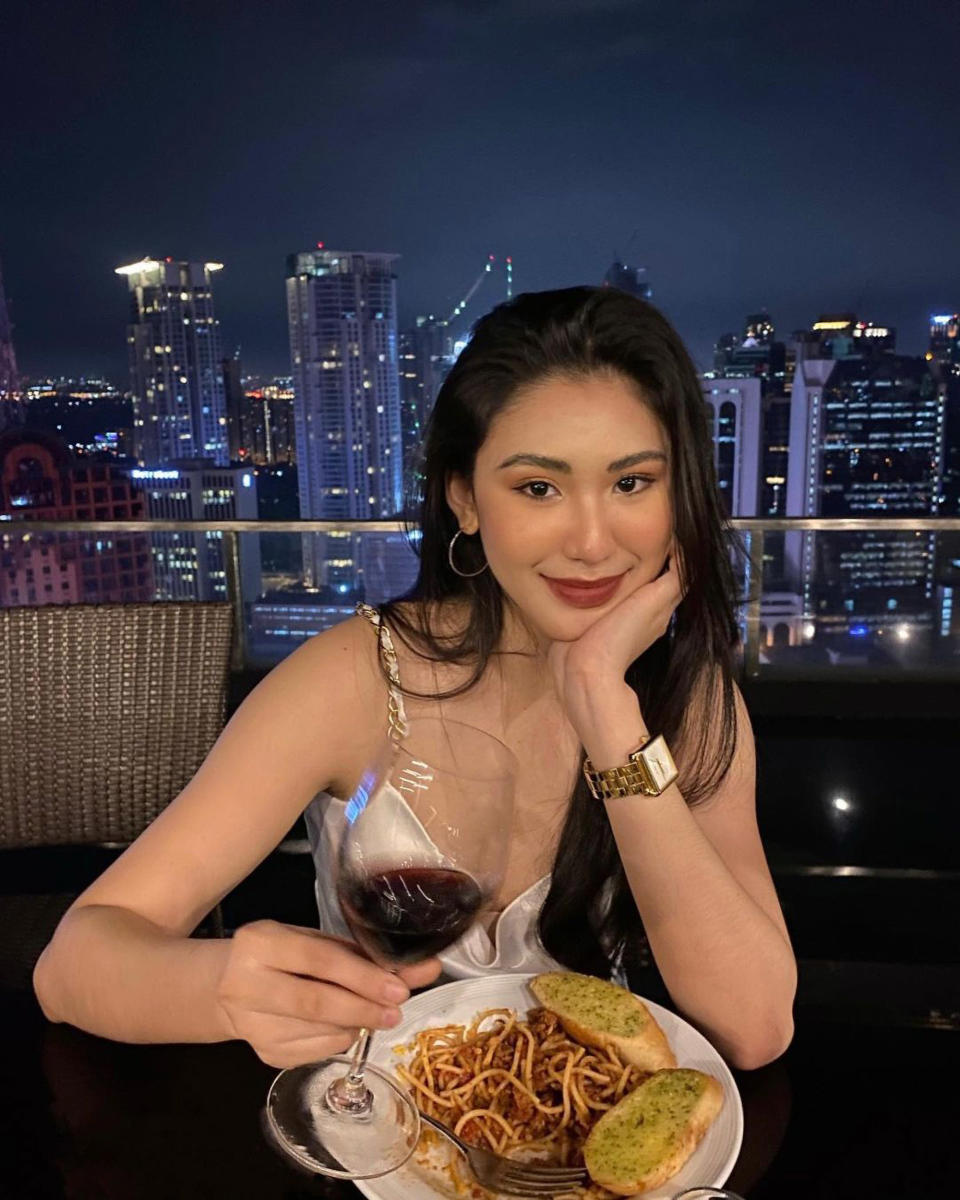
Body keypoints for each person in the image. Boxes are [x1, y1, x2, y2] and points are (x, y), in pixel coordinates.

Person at [34, 286, 796, 1072]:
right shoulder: (357, 676)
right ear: (464, 498)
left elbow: (754, 1025)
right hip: (373, 1133)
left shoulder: (689, 700)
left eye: (632, 483)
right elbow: (71, 967)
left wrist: (606, 709)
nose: (593, 541)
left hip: (572, 1133)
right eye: (538, 487)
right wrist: (221, 989)